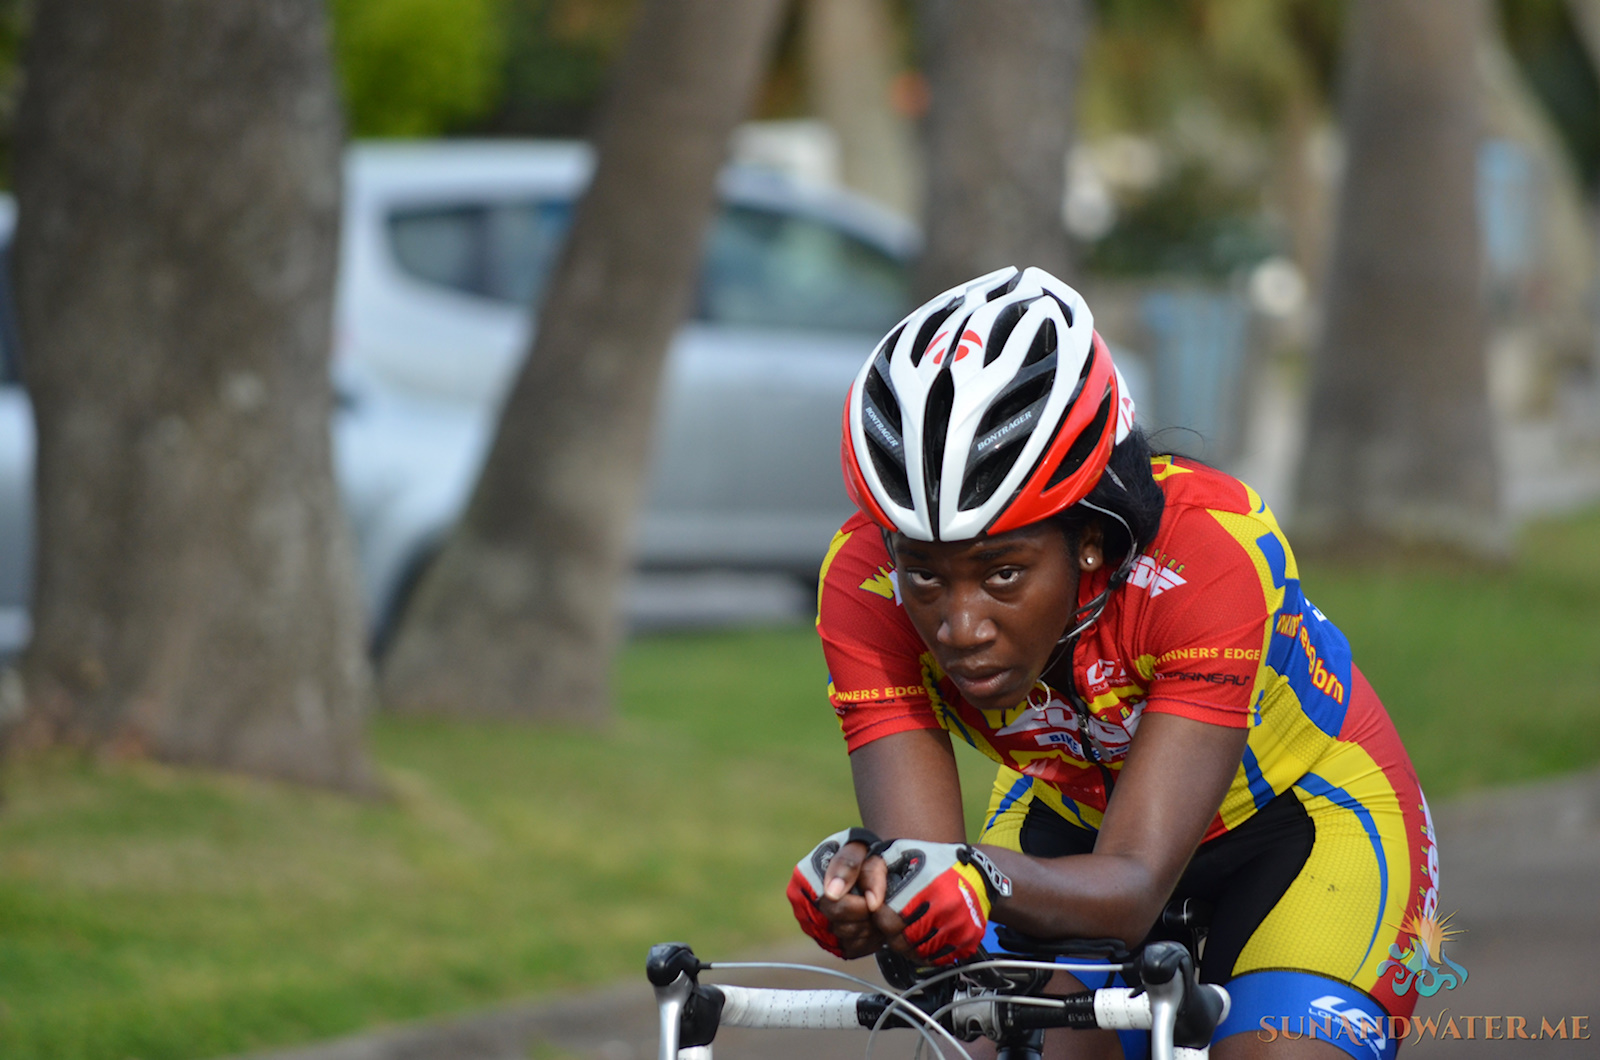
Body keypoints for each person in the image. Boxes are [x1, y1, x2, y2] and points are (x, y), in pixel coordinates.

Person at [787, 267, 1437, 1060]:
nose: (959, 627)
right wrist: (878, 898)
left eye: (1002, 574)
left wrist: (976, 878)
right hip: (1069, 821)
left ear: (1089, 537)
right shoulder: (862, 583)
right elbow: (930, 885)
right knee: (976, 1046)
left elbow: (1129, 887)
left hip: (1303, 826)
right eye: (924, 572)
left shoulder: (1208, 554)